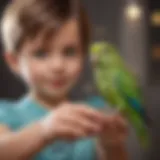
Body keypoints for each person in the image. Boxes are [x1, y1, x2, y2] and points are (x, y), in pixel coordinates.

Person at [0, 0, 128, 159]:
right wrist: (44, 130)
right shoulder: (6, 114)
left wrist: (111, 145)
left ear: (83, 55)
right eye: (41, 54)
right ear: (15, 62)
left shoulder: (95, 112)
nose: (58, 66)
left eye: (69, 52)